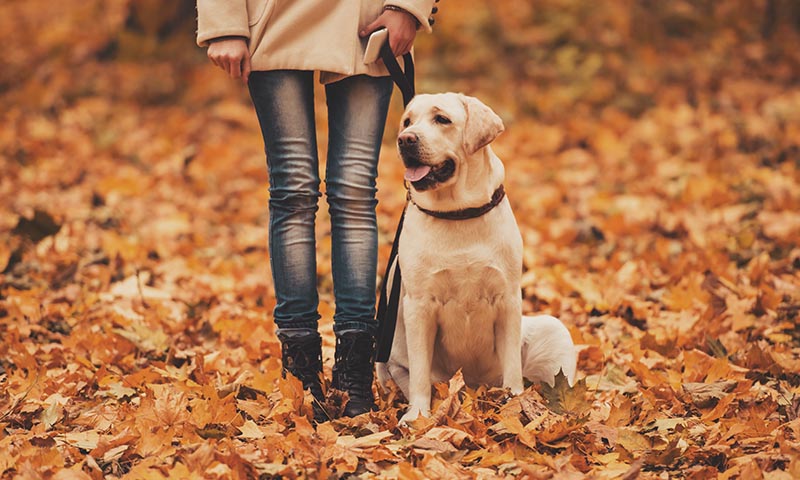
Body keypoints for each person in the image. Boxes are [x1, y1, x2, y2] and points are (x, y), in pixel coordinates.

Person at [196, 0, 436, 420]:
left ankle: (354, 373)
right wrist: (224, 21)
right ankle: (300, 372)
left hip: (369, 20)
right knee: (292, 190)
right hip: (272, 16)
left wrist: (409, 7)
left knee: (356, 191)